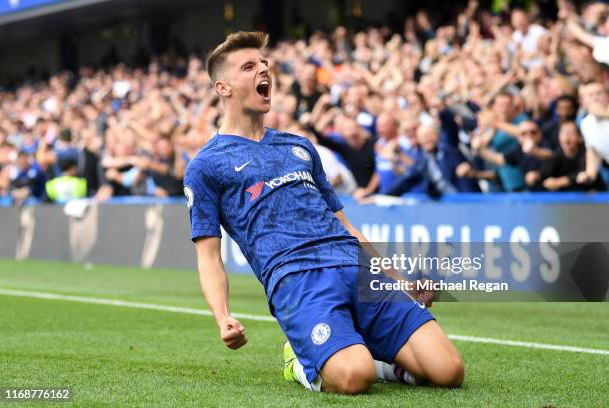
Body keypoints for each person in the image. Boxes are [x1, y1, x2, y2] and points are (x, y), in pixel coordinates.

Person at [183, 31, 463, 395]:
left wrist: (401, 281)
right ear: (223, 87)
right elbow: (208, 254)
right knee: (353, 378)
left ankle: (378, 362)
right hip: (298, 279)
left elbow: (345, 225)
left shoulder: (299, 147)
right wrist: (223, 316)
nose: (263, 70)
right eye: (248, 66)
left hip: (356, 268)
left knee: (449, 371)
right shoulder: (206, 165)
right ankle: (299, 360)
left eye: (264, 63)